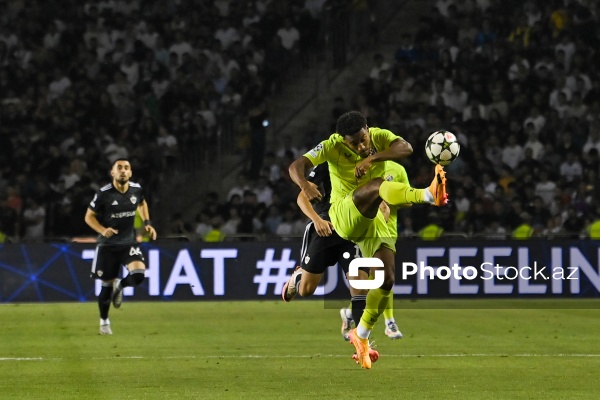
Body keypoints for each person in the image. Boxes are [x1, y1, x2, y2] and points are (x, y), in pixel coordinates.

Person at [288, 111, 447, 369]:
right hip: (342, 216)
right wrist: (305, 184)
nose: (360, 146)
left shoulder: (379, 137)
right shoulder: (331, 146)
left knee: (387, 278)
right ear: (343, 140)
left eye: (363, 139)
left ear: (367, 129)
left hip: (372, 223)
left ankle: (360, 335)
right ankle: (429, 194)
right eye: (353, 143)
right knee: (375, 184)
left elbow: (405, 147)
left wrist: (373, 156)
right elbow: (295, 167)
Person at [84, 159, 157, 335]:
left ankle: (121, 286)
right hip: (108, 245)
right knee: (105, 286)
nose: (123, 171)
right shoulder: (103, 194)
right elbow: (88, 217)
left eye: (126, 168)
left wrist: (147, 223)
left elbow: (142, 203)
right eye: (119, 168)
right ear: (112, 173)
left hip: (128, 242)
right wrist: (102, 230)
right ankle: (104, 322)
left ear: (130, 173)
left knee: (139, 275)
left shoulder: (136, 189)